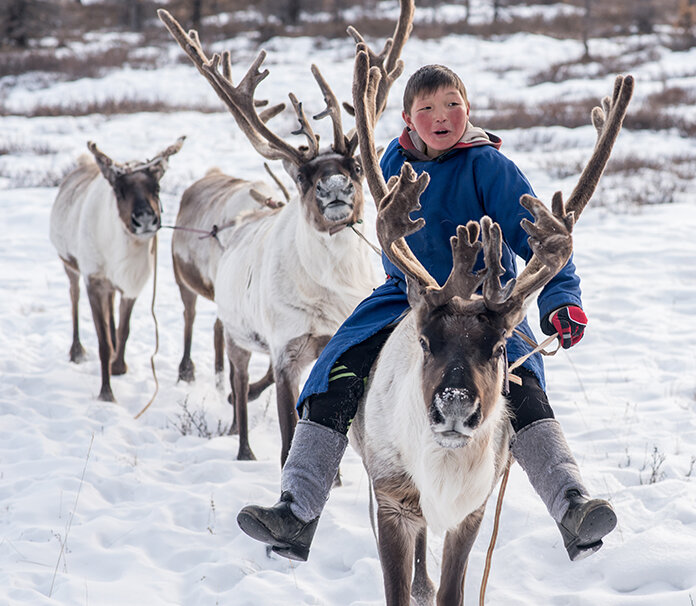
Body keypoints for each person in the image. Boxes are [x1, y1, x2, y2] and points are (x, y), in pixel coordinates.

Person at [236, 64, 616, 563]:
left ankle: (571, 506)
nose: (442, 117)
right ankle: (297, 510)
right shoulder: (390, 158)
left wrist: (561, 300)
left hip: (486, 302)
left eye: (453, 106)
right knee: (336, 370)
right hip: (407, 296)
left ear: (469, 109)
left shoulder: (490, 167)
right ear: (407, 118)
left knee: (521, 386)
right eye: (428, 109)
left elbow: (546, 240)